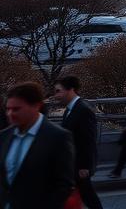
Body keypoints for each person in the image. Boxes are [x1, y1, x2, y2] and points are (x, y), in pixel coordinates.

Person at [0, 81, 74, 209]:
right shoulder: (4, 136)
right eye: (8, 109)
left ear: (36, 106)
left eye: (16, 109)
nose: (10, 114)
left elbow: (64, 185)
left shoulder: (58, 137)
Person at [55, 75, 103, 209]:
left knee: (88, 196)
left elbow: (88, 139)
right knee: (86, 196)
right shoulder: (70, 110)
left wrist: (84, 166)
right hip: (72, 163)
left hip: (80, 165)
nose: (56, 95)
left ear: (70, 90)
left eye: (58, 91)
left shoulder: (83, 109)